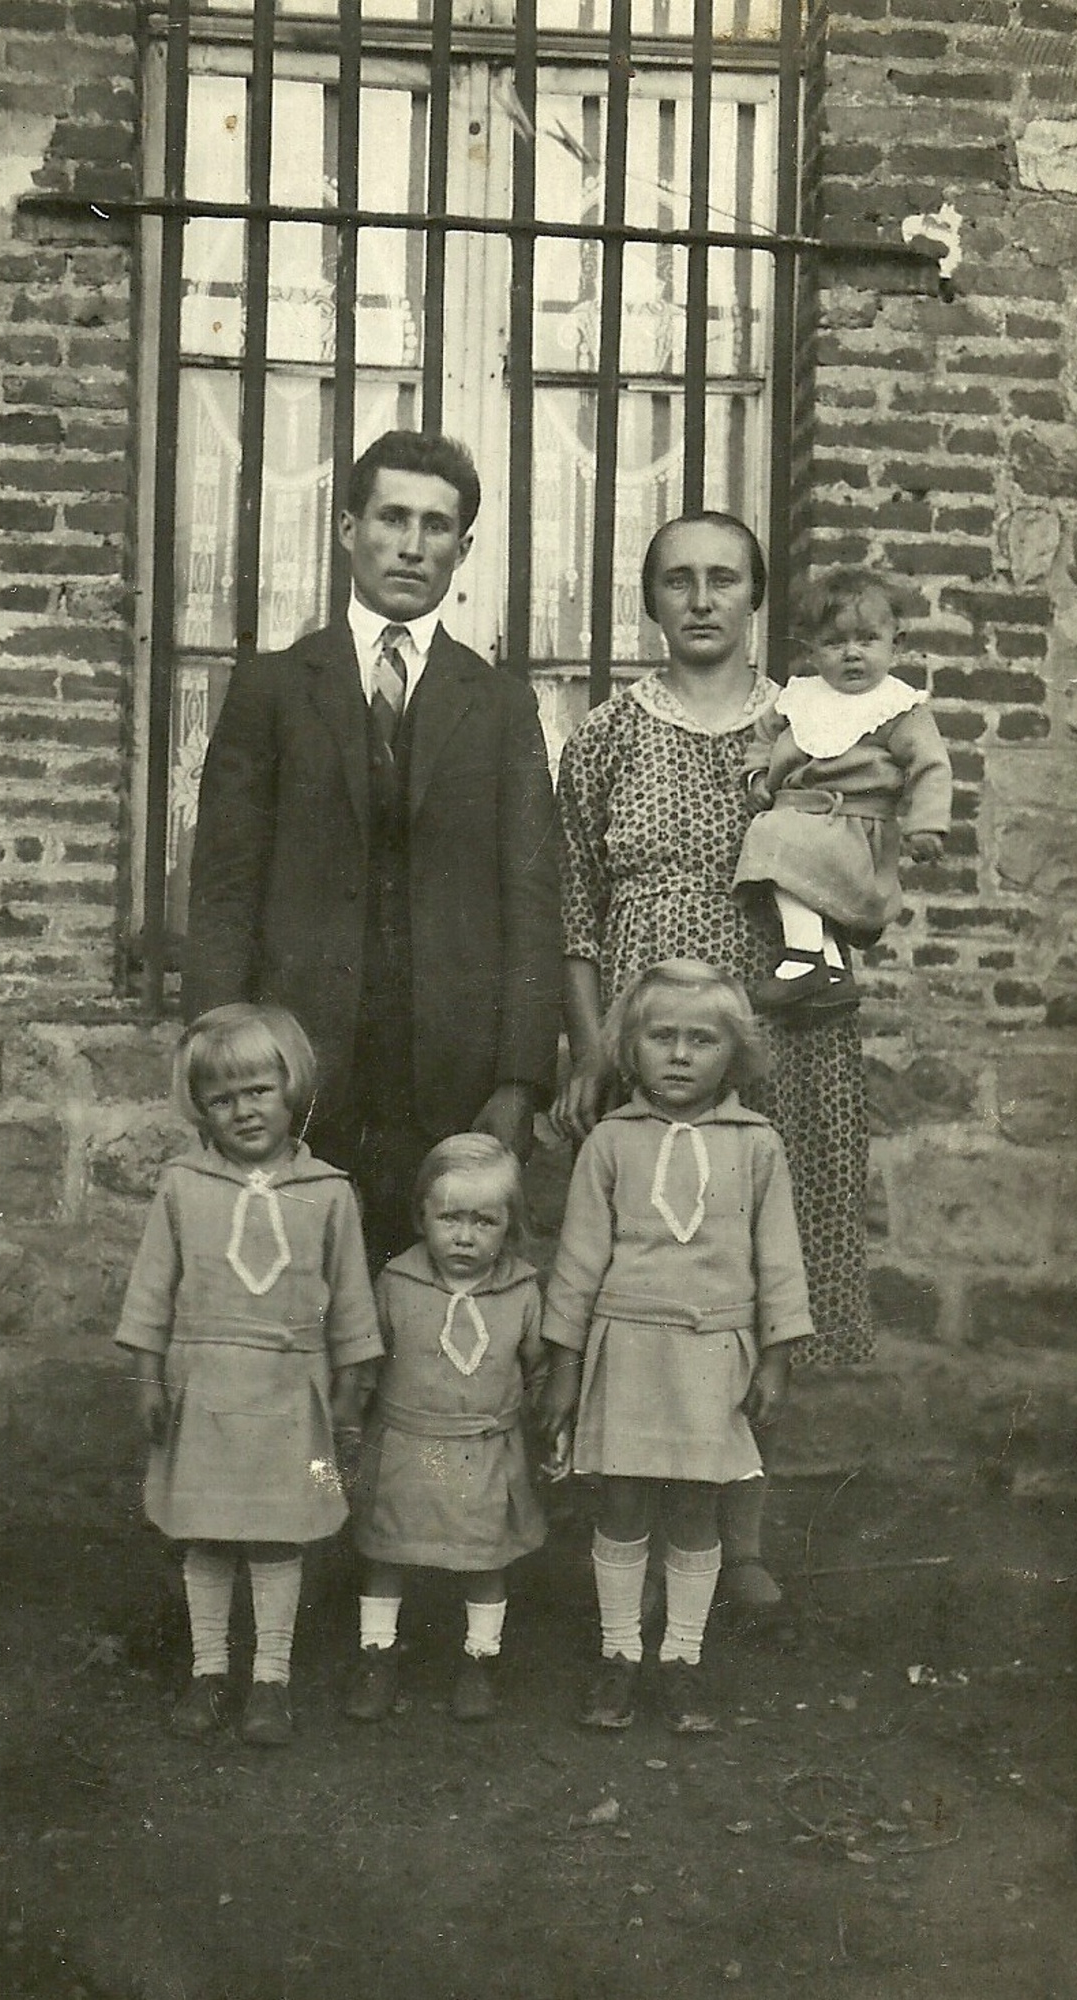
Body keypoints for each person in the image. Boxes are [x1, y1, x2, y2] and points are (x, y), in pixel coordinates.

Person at [553, 510, 874, 1612]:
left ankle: (739, 1539)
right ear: (650, 600)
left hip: (784, 1029)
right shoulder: (605, 736)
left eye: (724, 579)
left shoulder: (809, 726)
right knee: (655, 1269)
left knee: (758, 1262)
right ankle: (637, 1529)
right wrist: (593, 1045)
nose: (701, 599)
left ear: (756, 598)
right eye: (678, 580)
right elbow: (574, 909)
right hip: (650, 1040)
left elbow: (864, 872)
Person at [182, 431, 561, 1268]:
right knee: (288, 1290)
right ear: (348, 528)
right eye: (392, 518)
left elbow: (534, 901)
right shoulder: (272, 688)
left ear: (463, 549)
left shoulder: (501, 706)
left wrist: (520, 1082)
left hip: (450, 1077)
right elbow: (224, 889)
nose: (411, 545)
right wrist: (220, 1057)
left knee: (432, 1299)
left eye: (436, 526)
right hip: (296, 1069)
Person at [539, 961, 811, 1731]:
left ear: (736, 1053)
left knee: (696, 1508)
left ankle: (682, 1658)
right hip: (627, 1349)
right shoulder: (609, 1143)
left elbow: (779, 1262)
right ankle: (619, 1652)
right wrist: (564, 1371)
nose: (681, 1055)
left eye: (703, 1040)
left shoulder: (757, 1146)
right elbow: (577, 1266)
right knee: (622, 1503)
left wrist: (776, 1360)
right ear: (630, 1048)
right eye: (662, 1037)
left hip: (712, 1356)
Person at [114, 1004, 383, 1747]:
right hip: (203, 1386)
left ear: (292, 1088)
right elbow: (151, 1292)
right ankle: (208, 1671)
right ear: (200, 1109)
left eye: (259, 1090)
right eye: (222, 1099)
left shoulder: (329, 1191)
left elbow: (351, 1301)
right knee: (207, 1534)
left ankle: (271, 1679)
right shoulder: (182, 1187)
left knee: (275, 1536)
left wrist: (350, 1391)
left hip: (290, 1390)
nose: (243, 1111)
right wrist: (147, 1378)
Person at [344, 1133, 547, 1725]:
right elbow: (366, 1359)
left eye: (485, 1221)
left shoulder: (521, 1291)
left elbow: (539, 1368)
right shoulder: (396, 1283)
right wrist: (348, 1416)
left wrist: (549, 1424)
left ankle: (479, 1657)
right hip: (405, 1445)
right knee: (387, 1551)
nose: (464, 1236)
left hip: (485, 1449)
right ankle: (377, 1654)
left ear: (510, 1226)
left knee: (486, 1559)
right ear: (420, 1217)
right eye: (450, 1218)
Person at [734, 567, 952, 1009]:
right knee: (796, 860)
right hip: (803, 816)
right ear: (813, 650)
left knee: (774, 839)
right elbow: (763, 740)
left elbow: (930, 767)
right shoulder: (799, 698)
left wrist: (926, 826)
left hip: (856, 828)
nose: (852, 654)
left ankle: (803, 959)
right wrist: (757, 777)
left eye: (868, 639)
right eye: (834, 643)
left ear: (896, 644)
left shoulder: (897, 708)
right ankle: (832, 970)